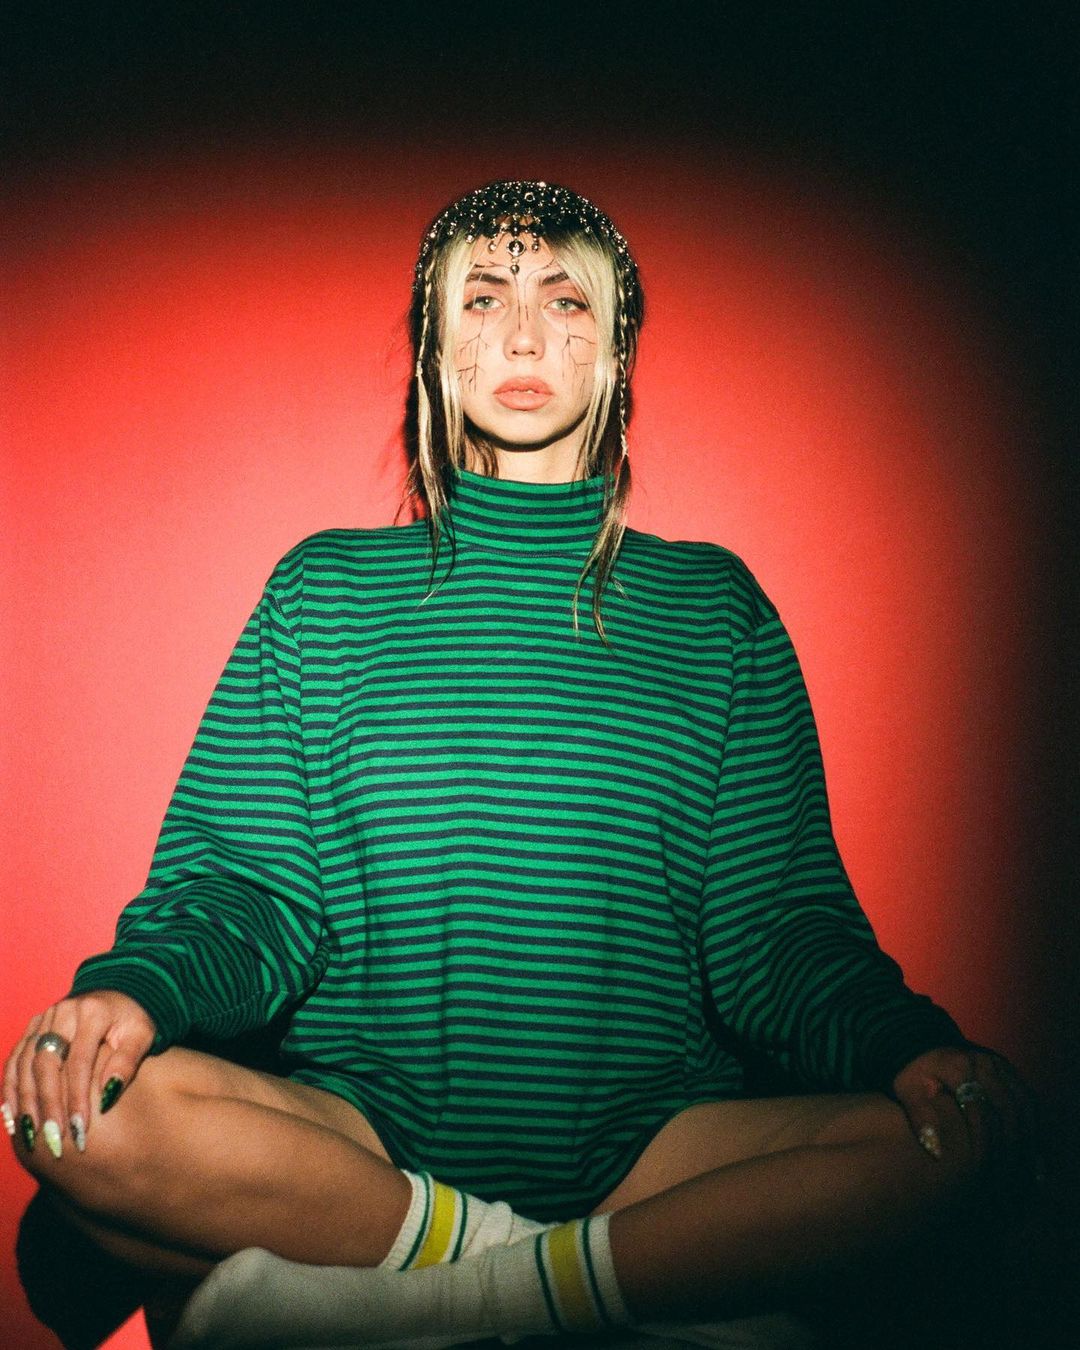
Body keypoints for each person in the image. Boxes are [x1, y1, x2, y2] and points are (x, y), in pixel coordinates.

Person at [4, 180, 1035, 1349]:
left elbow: (772, 929)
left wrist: (908, 1045)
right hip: (364, 1150)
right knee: (69, 1109)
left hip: (652, 1152)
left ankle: (456, 1300)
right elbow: (247, 893)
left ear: (618, 352)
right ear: (436, 353)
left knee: (964, 1141)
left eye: (566, 301)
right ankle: (564, 1280)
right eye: (484, 300)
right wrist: (135, 993)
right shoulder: (324, 591)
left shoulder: (715, 609)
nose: (526, 336)